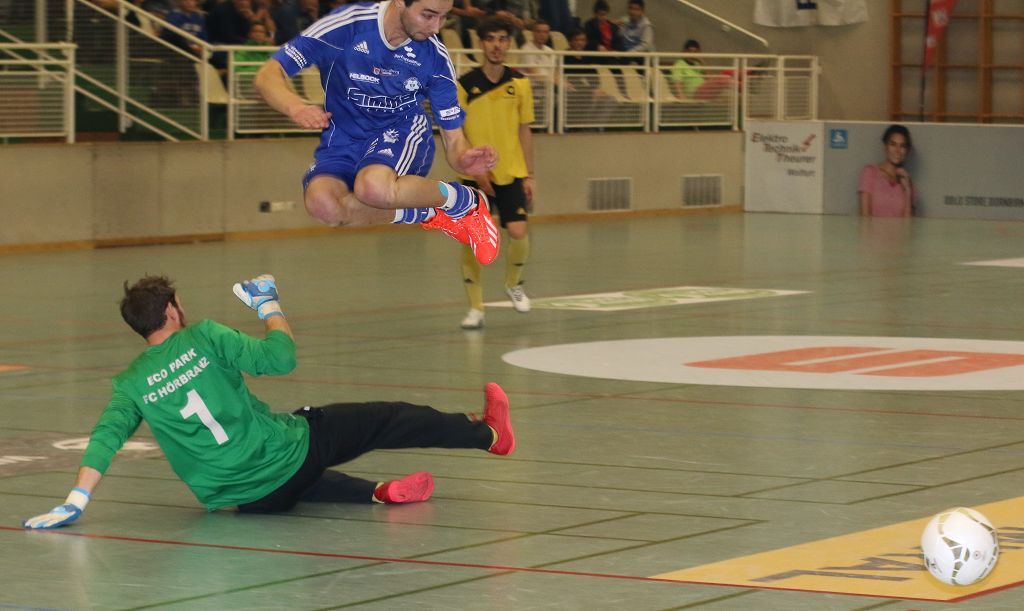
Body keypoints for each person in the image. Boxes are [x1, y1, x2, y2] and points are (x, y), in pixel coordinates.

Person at [22, 274, 516, 529]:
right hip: (288, 456)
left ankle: (380, 493)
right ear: (172, 310)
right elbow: (281, 359)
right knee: (388, 419)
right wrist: (269, 306)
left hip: (250, 501)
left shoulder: (130, 383)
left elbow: (105, 438)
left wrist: (75, 500)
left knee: (288, 478)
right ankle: (489, 435)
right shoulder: (204, 336)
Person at [254, 0, 502, 265]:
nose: (436, 28)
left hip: (400, 130)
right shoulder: (346, 27)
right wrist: (294, 106)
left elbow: (454, 142)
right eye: (428, 15)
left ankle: (466, 201)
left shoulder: (434, 57)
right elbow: (268, 73)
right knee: (323, 205)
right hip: (345, 137)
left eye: (443, 18)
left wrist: (463, 159)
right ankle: (430, 213)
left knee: (373, 187)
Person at [456, 18, 536, 330]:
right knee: (474, 241)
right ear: (481, 43)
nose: (496, 45)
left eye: (502, 39)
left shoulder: (520, 83)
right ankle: (476, 308)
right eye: (490, 39)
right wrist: (475, 170)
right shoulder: (464, 85)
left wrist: (529, 174)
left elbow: (525, 130)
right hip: (475, 176)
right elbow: (457, 134)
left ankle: (513, 283)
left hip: (511, 171)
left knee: (518, 231)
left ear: (509, 44)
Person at [859, 124, 914, 217]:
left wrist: (908, 190)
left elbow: (909, 223)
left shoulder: (908, 182)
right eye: (893, 144)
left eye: (902, 146)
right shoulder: (870, 172)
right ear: (885, 147)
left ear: (907, 151)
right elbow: (864, 218)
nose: (897, 151)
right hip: (872, 227)